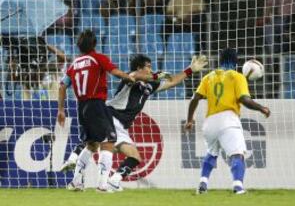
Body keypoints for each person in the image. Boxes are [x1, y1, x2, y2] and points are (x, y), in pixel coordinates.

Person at [60, 53, 208, 191]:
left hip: (121, 126)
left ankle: (103, 180)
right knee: (94, 145)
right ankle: (92, 177)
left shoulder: (151, 85)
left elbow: (172, 81)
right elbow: (135, 75)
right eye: (148, 67)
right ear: (139, 67)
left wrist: (190, 69)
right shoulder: (130, 79)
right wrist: (156, 75)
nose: (151, 69)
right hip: (110, 116)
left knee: (130, 155)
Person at [57, 30, 160, 192]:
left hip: (81, 107)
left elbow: (62, 85)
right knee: (109, 142)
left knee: (91, 144)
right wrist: (128, 77)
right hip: (97, 104)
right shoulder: (98, 58)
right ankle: (103, 184)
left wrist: (61, 110)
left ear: (79, 46)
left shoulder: (74, 64)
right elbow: (115, 72)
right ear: (95, 44)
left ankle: (76, 179)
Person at [184, 48, 270, 194]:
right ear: (236, 62)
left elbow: (195, 99)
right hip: (228, 119)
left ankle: (202, 184)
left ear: (220, 61)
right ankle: (238, 187)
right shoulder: (237, 76)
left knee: (211, 153)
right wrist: (262, 108)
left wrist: (190, 119)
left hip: (210, 122)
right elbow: (244, 99)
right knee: (237, 154)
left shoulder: (209, 77)